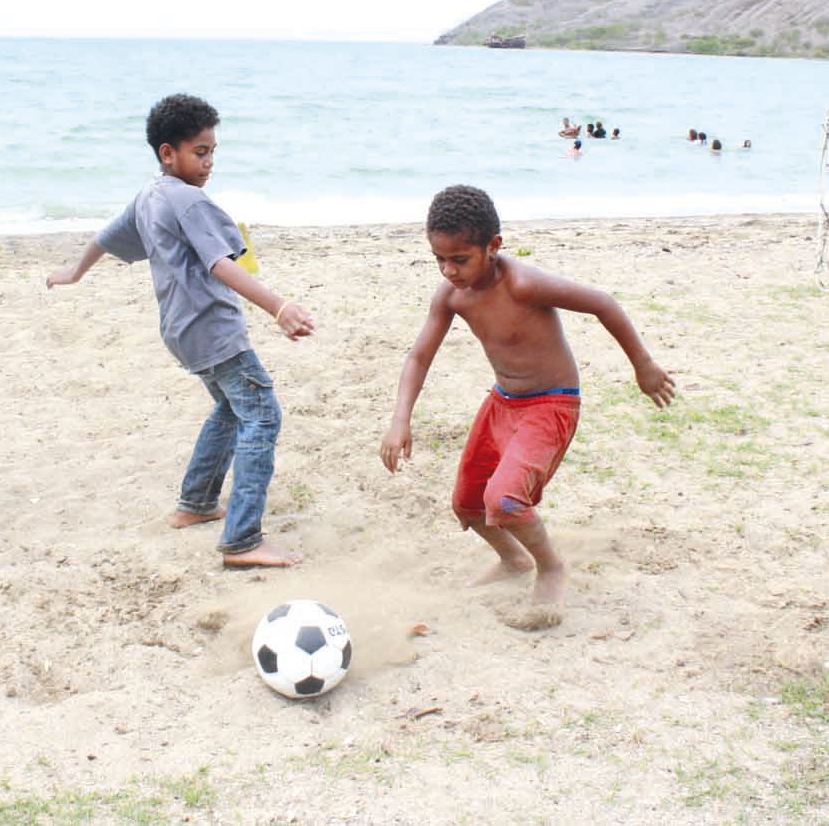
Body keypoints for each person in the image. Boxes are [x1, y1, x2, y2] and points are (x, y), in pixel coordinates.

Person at [47, 94, 316, 568]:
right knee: (262, 414)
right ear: (167, 152)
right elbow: (219, 265)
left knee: (230, 409)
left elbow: (105, 238)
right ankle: (243, 540)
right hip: (212, 329)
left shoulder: (149, 196)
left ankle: (195, 504)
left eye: (212, 151)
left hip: (179, 330)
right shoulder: (190, 201)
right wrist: (279, 306)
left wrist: (75, 272)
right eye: (200, 151)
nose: (209, 162)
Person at [379, 185, 675, 607]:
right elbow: (419, 357)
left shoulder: (523, 284)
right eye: (439, 259)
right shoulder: (451, 296)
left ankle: (550, 566)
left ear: (493, 246)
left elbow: (603, 304)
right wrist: (400, 419)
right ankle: (512, 559)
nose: (448, 271)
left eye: (460, 259)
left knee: (503, 499)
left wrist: (642, 366)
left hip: (551, 402)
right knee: (468, 506)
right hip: (502, 403)